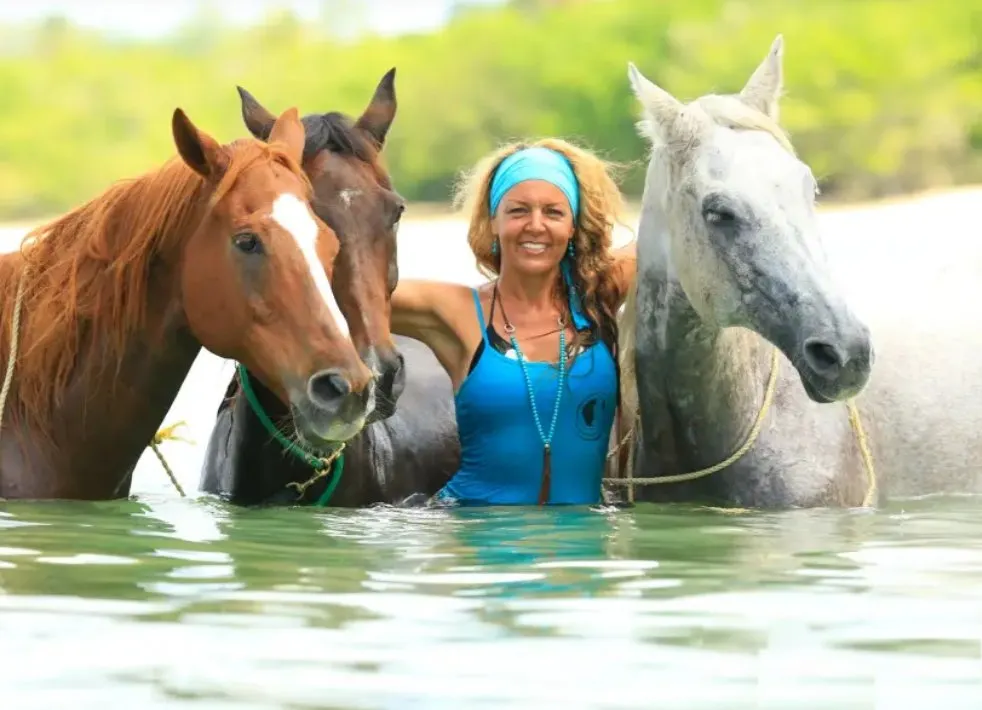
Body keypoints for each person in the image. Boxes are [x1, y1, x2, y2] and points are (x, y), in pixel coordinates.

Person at [392, 139, 636, 506]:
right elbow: (341, 292)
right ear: (493, 221)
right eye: (518, 210)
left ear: (573, 226)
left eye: (553, 213)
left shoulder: (597, 298)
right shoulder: (456, 313)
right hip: (474, 538)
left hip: (582, 551)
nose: (535, 226)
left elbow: (682, 226)